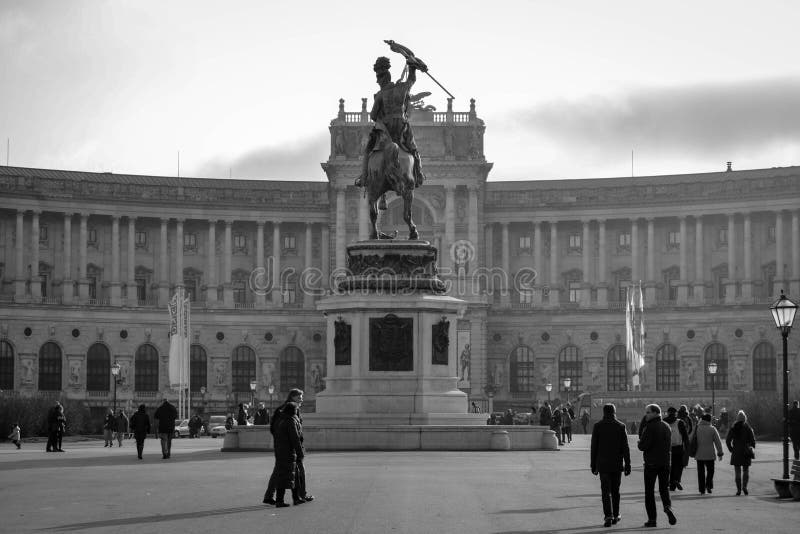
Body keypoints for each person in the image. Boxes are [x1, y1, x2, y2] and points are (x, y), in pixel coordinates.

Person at [355, 54, 427, 189]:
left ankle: (364, 177)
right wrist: (413, 67)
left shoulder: (381, 94)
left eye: (378, 79)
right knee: (413, 149)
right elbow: (412, 79)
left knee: (368, 150)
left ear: (381, 80)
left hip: (386, 128)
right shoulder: (402, 88)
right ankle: (419, 173)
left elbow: (373, 115)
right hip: (401, 126)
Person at [263, 389, 313, 505]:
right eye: (300, 397)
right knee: (299, 471)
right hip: (289, 448)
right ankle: (300, 495)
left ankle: (269, 496)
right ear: (293, 397)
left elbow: (274, 427)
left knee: (279, 472)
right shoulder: (290, 410)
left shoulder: (284, 409)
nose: (302, 399)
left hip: (282, 447)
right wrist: (293, 446)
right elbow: (293, 432)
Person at [590, 403, 631, 527]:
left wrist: (593, 464)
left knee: (605, 491)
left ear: (604, 412)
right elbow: (626, 448)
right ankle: (616, 515)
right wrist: (628, 464)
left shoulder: (598, 426)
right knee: (615, 491)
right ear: (614, 412)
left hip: (602, 465)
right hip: (616, 464)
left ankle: (608, 515)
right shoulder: (621, 426)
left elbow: (594, 447)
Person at [637, 404, 676, 528]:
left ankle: (652, 519)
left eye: (648, 412)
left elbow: (643, 446)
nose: (646, 415)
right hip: (665, 462)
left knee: (649, 492)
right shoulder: (666, 426)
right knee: (664, 489)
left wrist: (639, 442)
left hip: (651, 463)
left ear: (655, 413)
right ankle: (667, 507)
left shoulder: (650, 427)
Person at [271, 401, 304, 507]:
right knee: (294, 475)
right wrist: (300, 452)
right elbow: (295, 438)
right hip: (289, 452)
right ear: (293, 411)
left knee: (286, 475)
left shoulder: (280, 419)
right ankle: (292, 499)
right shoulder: (291, 420)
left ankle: (283, 499)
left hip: (280, 451)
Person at [691, 412, 724, 495]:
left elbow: (691, 439)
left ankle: (702, 489)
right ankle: (708, 485)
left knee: (700, 472)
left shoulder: (697, 428)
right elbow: (718, 442)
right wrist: (720, 453)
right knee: (711, 471)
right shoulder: (712, 429)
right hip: (710, 454)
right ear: (709, 420)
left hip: (699, 453)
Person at [726, 410, 756, 495]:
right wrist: (752, 448)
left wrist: (731, 449)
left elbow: (728, 440)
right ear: (745, 418)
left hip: (736, 451)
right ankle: (745, 487)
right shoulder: (748, 427)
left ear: (737, 419)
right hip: (746, 451)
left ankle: (738, 489)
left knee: (737, 471)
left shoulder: (733, 427)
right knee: (746, 470)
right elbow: (753, 440)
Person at [664, 406, 689, 491]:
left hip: (667, 448)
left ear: (668, 413)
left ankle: (671, 484)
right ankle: (676, 479)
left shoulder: (663, 422)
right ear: (675, 413)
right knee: (679, 465)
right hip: (679, 447)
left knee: (670, 466)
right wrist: (687, 447)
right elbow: (685, 436)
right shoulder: (680, 422)